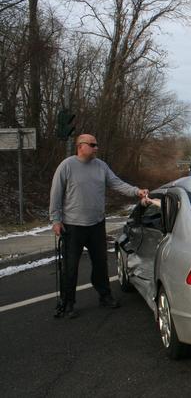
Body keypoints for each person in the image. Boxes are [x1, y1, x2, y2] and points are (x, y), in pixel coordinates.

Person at [49, 134, 148, 318]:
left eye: (97, 144)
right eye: (92, 145)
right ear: (80, 146)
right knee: (70, 267)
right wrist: (56, 219)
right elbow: (56, 193)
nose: (96, 148)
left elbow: (117, 183)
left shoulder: (101, 166)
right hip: (72, 226)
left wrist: (136, 191)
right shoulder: (67, 166)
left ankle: (105, 296)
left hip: (96, 224)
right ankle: (68, 303)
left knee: (101, 263)